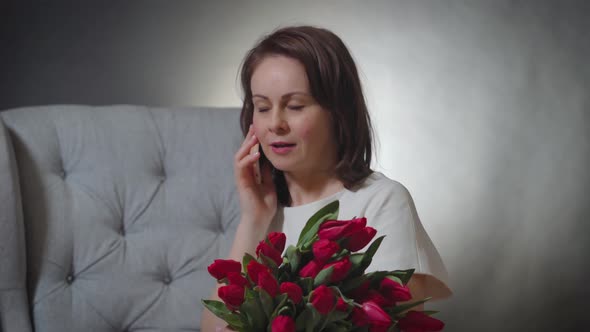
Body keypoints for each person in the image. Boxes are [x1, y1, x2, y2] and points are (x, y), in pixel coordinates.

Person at [201, 25, 452, 331]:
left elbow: (396, 323)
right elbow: (212, 329)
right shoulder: (262, 209)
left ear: (338, 112)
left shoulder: (382, 201)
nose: (275, 123)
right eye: (262, 107)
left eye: (295, 106)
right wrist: (253, 219)